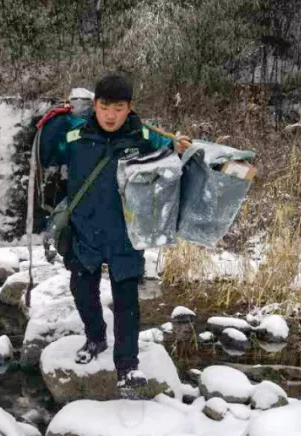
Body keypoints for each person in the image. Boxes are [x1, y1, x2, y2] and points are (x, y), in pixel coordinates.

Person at [39, 72, 189, 396]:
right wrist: (56, 117)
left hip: (126, 234)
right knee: (82, 291)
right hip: (85, 231)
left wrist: (179, 147)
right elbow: (45, 153)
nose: (110, 115)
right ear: (94, 105)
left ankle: (127, 366)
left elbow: (174, 155)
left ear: (129, 107)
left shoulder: (144, 136)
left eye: (118, 108)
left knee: (126, 303)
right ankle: (95, 337)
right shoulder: (75, 135)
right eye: (104, 106)